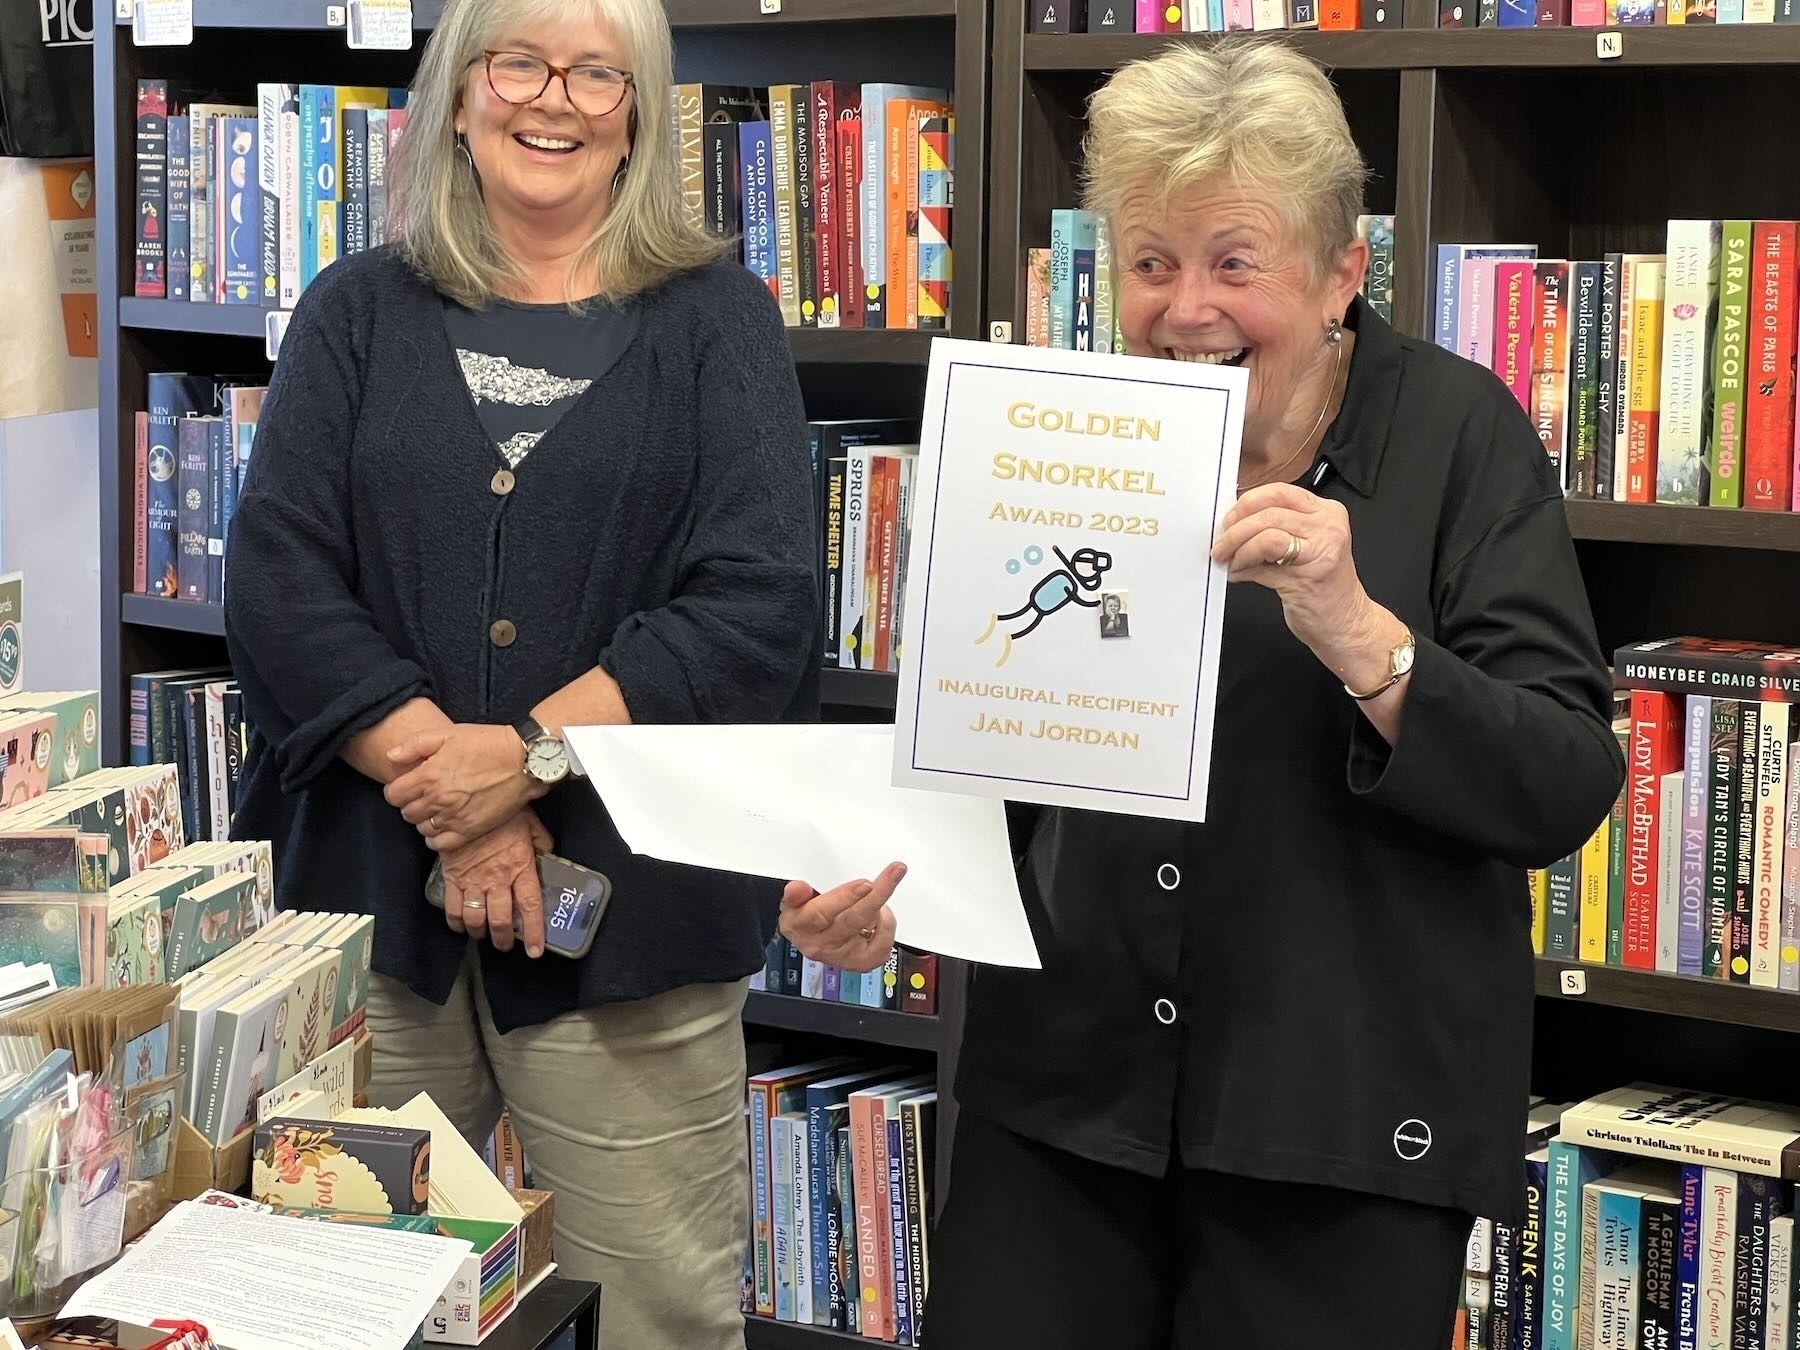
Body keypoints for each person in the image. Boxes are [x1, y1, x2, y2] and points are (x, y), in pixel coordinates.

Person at [780, 38, 1623, 1350]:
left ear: (1346, 270)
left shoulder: (1461, 437)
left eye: (1236, 262)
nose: (1185, 306)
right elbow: (994, 748)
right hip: (1061, 1102)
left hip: (1340, 1127)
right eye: (1150, 262)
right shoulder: (1059, 436)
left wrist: (1362, 634)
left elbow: (1565, 777)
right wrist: (883, 897)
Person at [220, 0, 820, 1344]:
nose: (554, 98)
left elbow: (758, 602)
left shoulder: (722, 321)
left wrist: (525, 755)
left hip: (638, 928)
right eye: (518, 60)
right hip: (365, 919)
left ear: (638, 110)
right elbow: (276, 583)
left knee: (654, 1310)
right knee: (332, 1302)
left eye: (597, 71)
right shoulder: (354, 311)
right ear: (461, 90)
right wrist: (464, 785)